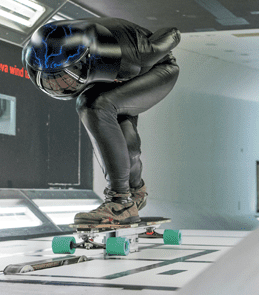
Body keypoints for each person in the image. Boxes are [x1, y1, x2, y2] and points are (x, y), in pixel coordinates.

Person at [22, 17, 180, 224]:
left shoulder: (132, 52)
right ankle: (135, 192)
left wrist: (146, 42)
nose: (59, 85)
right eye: (50, 78)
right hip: (106, 78)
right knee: (124, 143)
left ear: (85, 61)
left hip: (156, 69)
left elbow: (173, 32)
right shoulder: (34, 55)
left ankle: (120, 202)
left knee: (93, 105)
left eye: (66, 76)